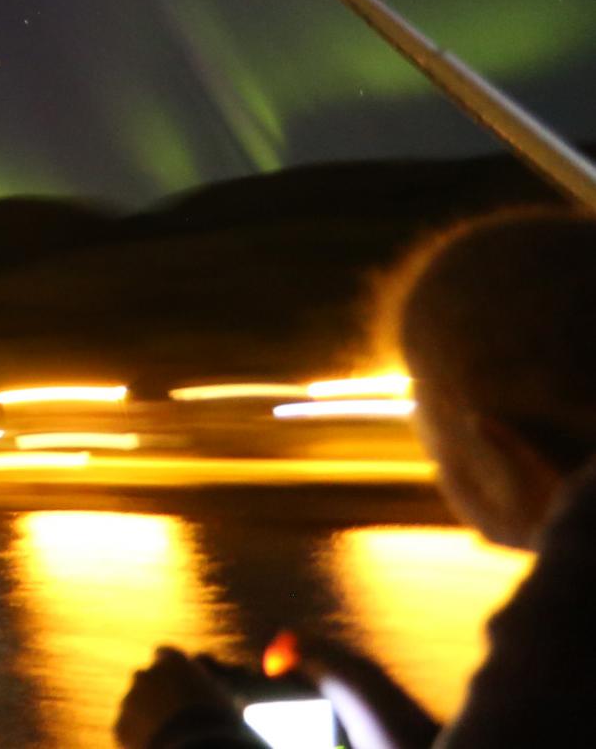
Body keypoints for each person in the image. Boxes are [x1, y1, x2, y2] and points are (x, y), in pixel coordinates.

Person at [115, 208, 596, 748]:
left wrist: (186, 733)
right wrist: (382, 712)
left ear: (499, 453)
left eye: (433, 441)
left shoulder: (575, 608)